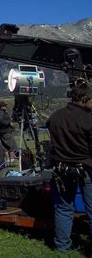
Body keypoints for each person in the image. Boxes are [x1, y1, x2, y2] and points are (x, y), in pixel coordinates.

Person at [46, 82, 92, 252]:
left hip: (61, 168)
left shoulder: (55, 117)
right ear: (85, 99)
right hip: (86, 168)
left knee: (63, 208)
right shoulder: (88, 120)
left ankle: (62, 247)